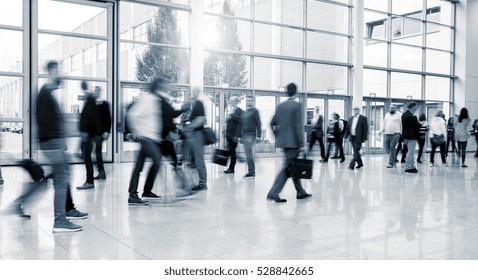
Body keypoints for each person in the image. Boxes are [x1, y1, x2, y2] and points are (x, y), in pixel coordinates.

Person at [36, 61, 84, 232]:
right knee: (61, 179)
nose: (60, 74)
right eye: (57, 71)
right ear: (49, 72)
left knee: (62, 176)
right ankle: (60, 220)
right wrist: (56, 144)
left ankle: (66, 211)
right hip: (51, 142)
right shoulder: (44, 94)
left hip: (54, 142)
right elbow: (45, 124)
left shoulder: (48, 94)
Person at [267, 83, 311, 203]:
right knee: (287, 168)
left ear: (287, 92)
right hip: (293, 143)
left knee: (293, 166)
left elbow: (272, 122)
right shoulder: (297, 106)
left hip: (284, 142)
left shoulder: (281, 106)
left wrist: (278, 136)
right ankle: (273, 192)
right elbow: (298, 126)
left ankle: (300, 192)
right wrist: (302, 144)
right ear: (296, 92)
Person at [127, 77, 167, 205]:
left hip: (151, 138)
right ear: (158, 86)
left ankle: (141, 192)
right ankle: (136, 194)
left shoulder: (155, 99)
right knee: (157, 160)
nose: (168, 86)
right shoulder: (148, 99)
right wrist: (137, 132)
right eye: (165, 84)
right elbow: (132, 115)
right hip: (146, 138)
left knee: (139, 166)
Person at [182, 87, 207, 191]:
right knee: (187, 160)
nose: (191, 94)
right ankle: (188, 183)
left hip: (196, 135)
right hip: (191, 135)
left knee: (199, 161)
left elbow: (201, 120)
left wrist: (189, 127)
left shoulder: (199, 104)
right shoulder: (191, 106)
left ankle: (202, 184)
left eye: (193, 92)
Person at [77, 81, 100, 190]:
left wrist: (85, 131)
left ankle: (89, 181)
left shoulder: (90, 99)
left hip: (88, 135)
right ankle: (90, 180)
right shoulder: (89, 99)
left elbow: (89, 117)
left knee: (87, 157)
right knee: (86, 156)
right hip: (88, 134)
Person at [92, 86, 111, 180]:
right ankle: (100, 170)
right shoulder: (91, 104)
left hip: (100, 133)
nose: (95, 92)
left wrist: (107, 131)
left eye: (96, 91)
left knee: (97, 153)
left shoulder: (104, 104)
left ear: (99, 92)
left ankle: (101, 172)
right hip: (91, 133)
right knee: (86, 154)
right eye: (94, 91)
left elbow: (108, 118)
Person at [241, 97, 261, 178]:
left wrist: (259, 135)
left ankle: (251, 172)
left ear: (253, 102)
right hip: (245, 135)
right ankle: (251, 171)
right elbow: (243, 125)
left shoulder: (255, 111)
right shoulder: (246, 112)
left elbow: (258, 123)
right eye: (247, 100)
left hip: (251, 134)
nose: (248, 102)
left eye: (250, 100)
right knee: (247, 154)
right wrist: (241, 136)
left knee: (248, 154)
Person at [224, 96, 243, 174]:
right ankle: (236, 161)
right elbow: (231, 122)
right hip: (229, 134)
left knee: (232, 151)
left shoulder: (239, 111)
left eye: (231, 101)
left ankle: (232, 168)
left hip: (234, 135)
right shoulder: (230, 110)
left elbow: (240, 122)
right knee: (231, 150)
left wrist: (237, 135)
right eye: (230, 101)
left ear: (236, 101)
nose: (230, 102)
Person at [401, 102, 420, 173]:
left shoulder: (404, 115)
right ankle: (408, 167)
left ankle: (412, 166)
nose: (416, 110)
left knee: (410, 151)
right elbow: (416, 127)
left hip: (405, 136)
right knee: (411, 152)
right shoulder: (412, 117)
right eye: (415, 108)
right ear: (413, 108)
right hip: (412, 137)